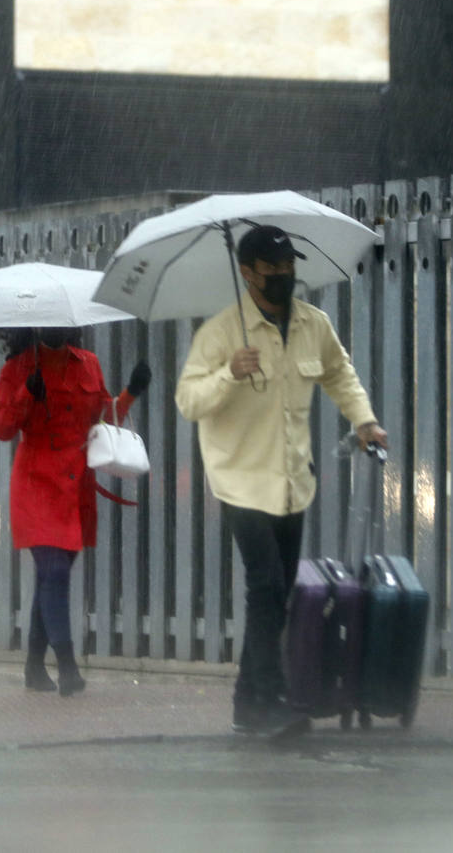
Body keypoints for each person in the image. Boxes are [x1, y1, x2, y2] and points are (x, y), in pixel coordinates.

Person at [175, 224, 388, 738]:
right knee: (265, 584)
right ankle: (265, 698)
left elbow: (339, 374)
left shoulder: (314, 325)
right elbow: (188, 402)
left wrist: (364, 420)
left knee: (278, 593)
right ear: (247, 274)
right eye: (272, 272)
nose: (284, 278)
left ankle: (250, 702)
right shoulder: (223, 333)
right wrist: (229, 372)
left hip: (292, 479)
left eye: (289, 269)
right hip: (240, 480)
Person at [0, 327, 151, 696]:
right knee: (54, 570)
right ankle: (67, 665)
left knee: (52, 579)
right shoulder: (16, 368)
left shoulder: (88, 364)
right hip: (35, 483)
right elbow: (1, 428)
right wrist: (25, 393)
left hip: (75, 485)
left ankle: (33, 666)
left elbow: (105, 417)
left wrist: (132, 391)